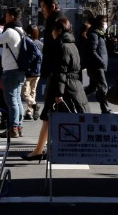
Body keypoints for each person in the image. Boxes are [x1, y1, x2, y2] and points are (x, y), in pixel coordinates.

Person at [22, 17, 88, 161]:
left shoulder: (62, 46)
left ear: (58, 31)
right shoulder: (72, 45)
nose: (51, 32)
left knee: (58, 119)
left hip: (63, 88)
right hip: (72, 86)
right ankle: (39, 150)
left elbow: (61, 71)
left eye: (52, 30)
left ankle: (49, 150)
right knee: (48, 118)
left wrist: (59, 93)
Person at [0, 7, 27, 138]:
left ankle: (13, 128)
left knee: (11, 101)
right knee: (17, 100)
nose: (5, 17)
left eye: (6, 15)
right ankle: (19, 126)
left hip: (10, 70)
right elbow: (4, 37)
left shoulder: (10, 31)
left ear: (11, 16)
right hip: (19, 70)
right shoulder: (20, 30)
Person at [81, 14, 111, 114]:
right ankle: (105, 108)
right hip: (96, 66)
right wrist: (101, 62)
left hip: (97, 65)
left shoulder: (98, 34)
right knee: (103, 87)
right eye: (104, 22)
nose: (106, 24)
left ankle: (78, 98)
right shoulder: (94, 34)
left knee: (92, 87)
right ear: (100, 23)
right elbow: (92, 51)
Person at [21, 24, 43, 120]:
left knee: (25, 92)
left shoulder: (26, 41)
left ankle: (34, 105)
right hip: (37, 71)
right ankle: (29, 112)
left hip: (28, 72)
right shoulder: (40, 44)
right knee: (32, 92)